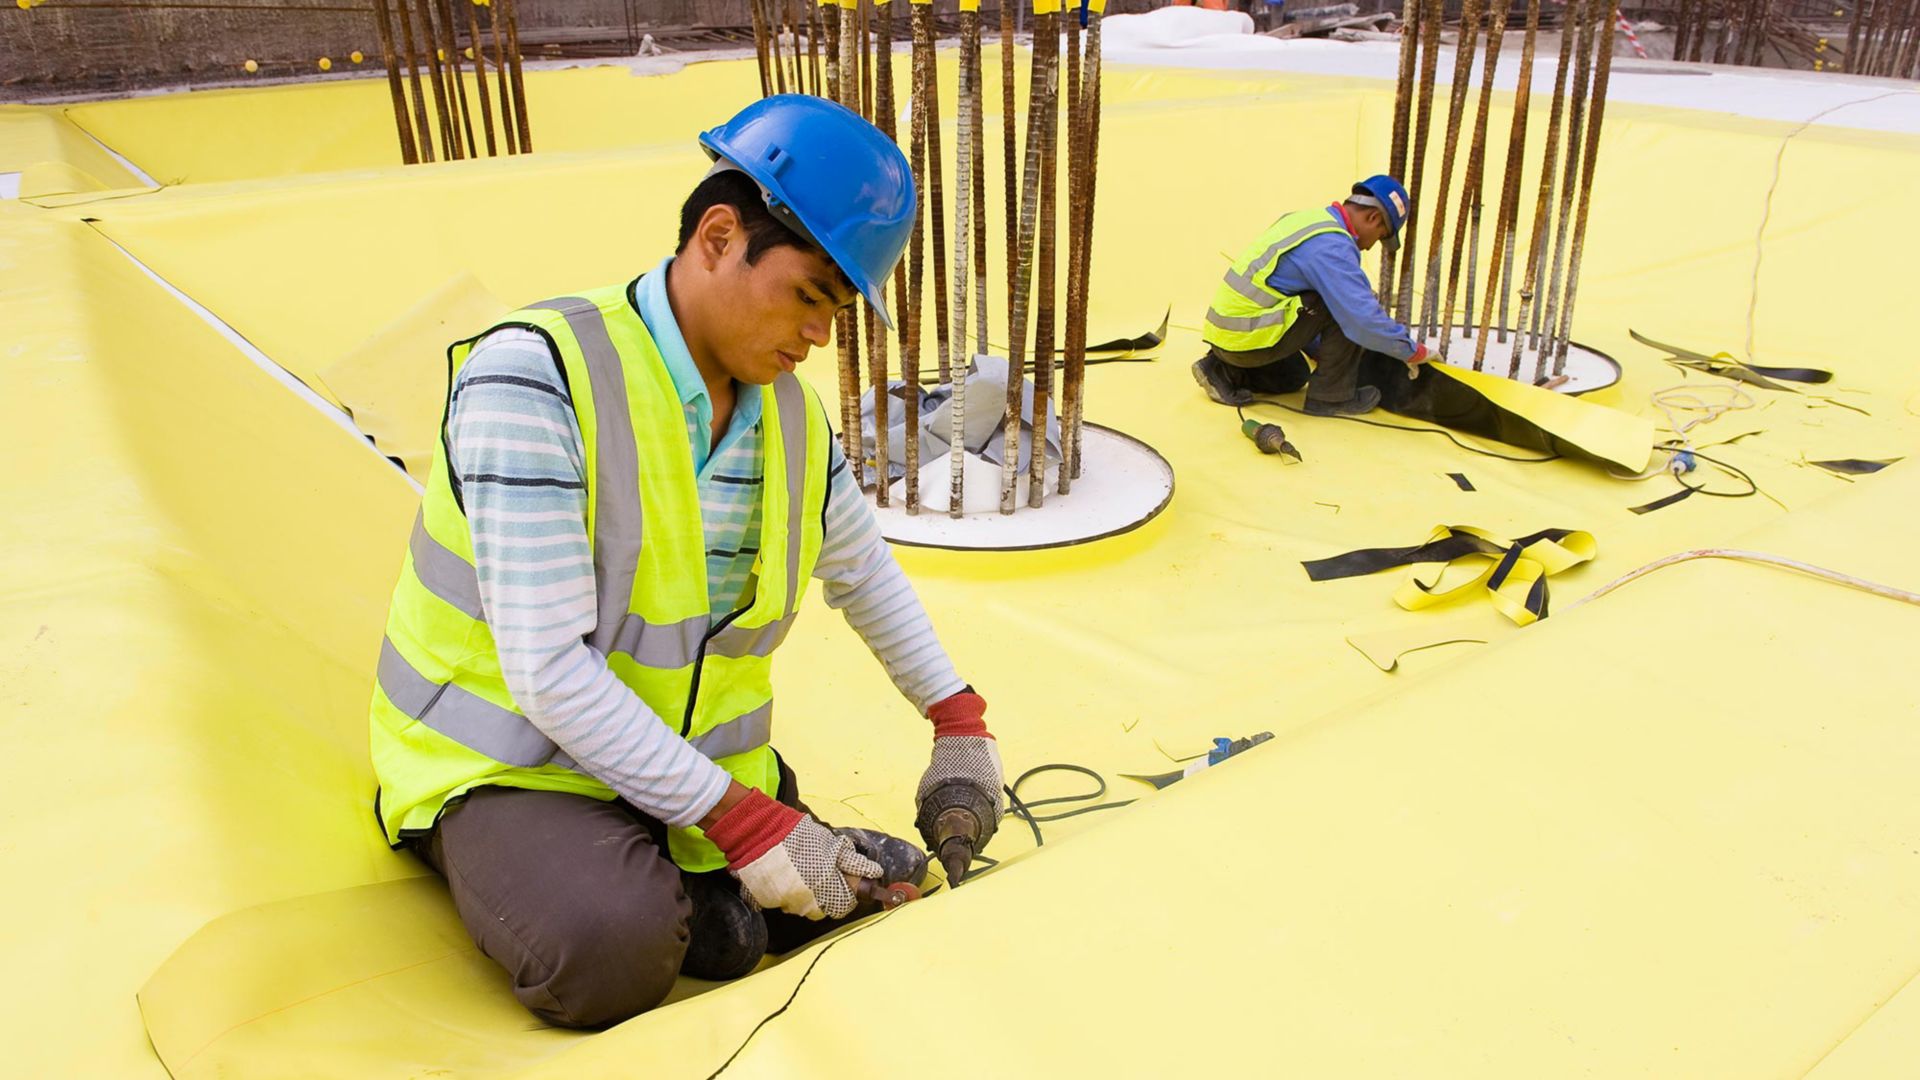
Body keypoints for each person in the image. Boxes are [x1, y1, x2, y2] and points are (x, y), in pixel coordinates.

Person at [364, 95, 1005, 1029]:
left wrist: (959, 722)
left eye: (837, 311)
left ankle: (700, 868)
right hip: (514, 764)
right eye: (809, 296)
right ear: (716, 236)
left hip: (679, 763)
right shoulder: (535, 376)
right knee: (608, 948)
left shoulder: (790, 417)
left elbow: (863, 574)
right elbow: (544, 670)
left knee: (770, 916)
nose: (819, 337)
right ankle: (631, 868)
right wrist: (750, 825)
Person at [1191, 174, 1431, 416]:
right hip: (1243, 341)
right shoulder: (1333, 246)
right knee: (1346, 301)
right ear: (1373, 217)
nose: (1369, 246)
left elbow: (1288, 295)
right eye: (1379, 237)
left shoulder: (1306, 221)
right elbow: (1362, 320)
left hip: (1228, 338)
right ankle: (1332, 397)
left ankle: (1221, 370)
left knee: (1294, 376)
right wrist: (1412, 350)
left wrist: (1322, 349)